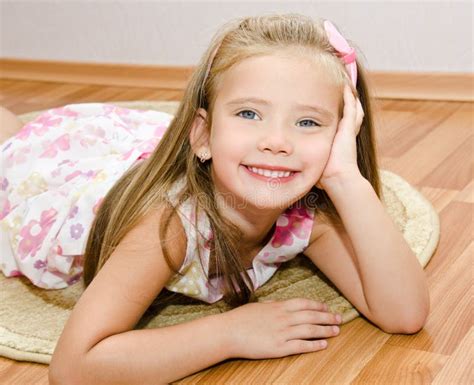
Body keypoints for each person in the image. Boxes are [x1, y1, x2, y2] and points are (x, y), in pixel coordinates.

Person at [0, 14, 429, 385]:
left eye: (307, 122)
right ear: (203, 135)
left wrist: (344, 176)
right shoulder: (166, 227)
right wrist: (229, 334)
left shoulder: (305, 215)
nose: (276, 142)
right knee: (12, 143)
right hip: (69, 176)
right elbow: (74, 368)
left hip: (171, 156)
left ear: (340, 134)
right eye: (248, 114)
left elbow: (405, 314)